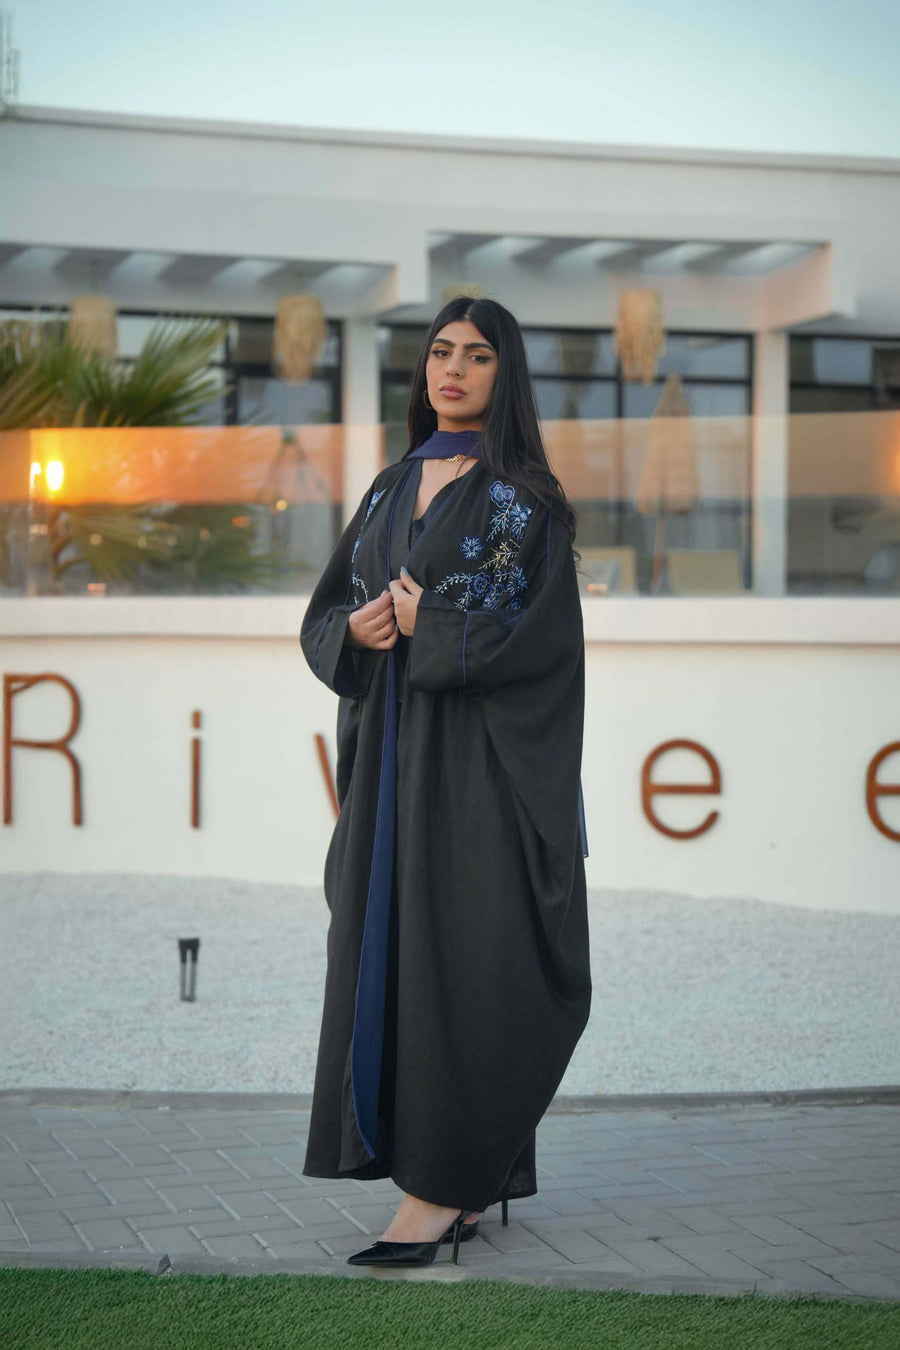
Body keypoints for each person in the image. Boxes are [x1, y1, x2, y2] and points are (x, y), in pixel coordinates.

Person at [300, 295, 591, 1268]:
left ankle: (441, 1193)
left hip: (479, 777)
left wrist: (440, 631)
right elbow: (326, 615)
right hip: (393, 774)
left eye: (476, 355)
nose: (452, 369)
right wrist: (359, 632)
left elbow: (543, 644)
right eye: (438, 352)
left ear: (506, 374)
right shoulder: (390, 489)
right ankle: (461, 1182)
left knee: (477, 957)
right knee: (396, 950)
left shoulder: (524, 500)